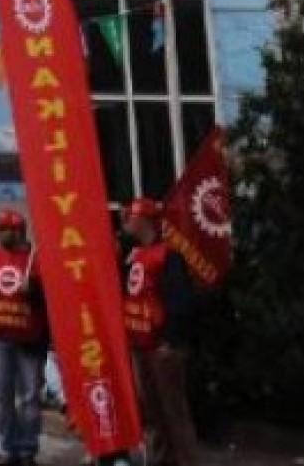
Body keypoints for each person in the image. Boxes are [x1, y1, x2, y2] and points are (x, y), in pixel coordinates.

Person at [123, 197, 199, 466]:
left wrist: (170, 340)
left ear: (144, 220)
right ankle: (162, 459)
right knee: (152, 410)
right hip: (140, 345)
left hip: (161, 346)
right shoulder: (135, 256)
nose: (126, 222)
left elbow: (180, 302)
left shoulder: (169, 256)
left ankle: (185, 460)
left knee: (173, 411)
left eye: (131, 217)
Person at [0, 209, 49, 466]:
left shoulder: (36, 260)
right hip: (1, 338)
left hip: (30, 340)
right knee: (2, 396)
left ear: (17, 231)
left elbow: (49, 303)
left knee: (30, 397)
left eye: (2, 229)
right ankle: (6, 447)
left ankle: (28, 448)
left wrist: (34, 291)